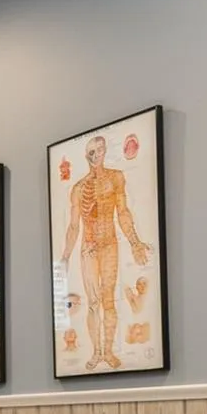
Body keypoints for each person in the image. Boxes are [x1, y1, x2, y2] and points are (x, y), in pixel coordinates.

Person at [59, 136, 152, 370]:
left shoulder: (116, 178)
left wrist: (135, 242)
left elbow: (123, 212)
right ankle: (96, 352)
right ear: (86, 155)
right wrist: (64, 257)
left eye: (100, 149)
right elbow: (73, 227)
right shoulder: (78, 189)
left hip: (109, 244)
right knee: (93, 302)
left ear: (104, 151)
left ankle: (108, 351)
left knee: (108, 301)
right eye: (92, 151)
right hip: (88, 249)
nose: (96, 154)